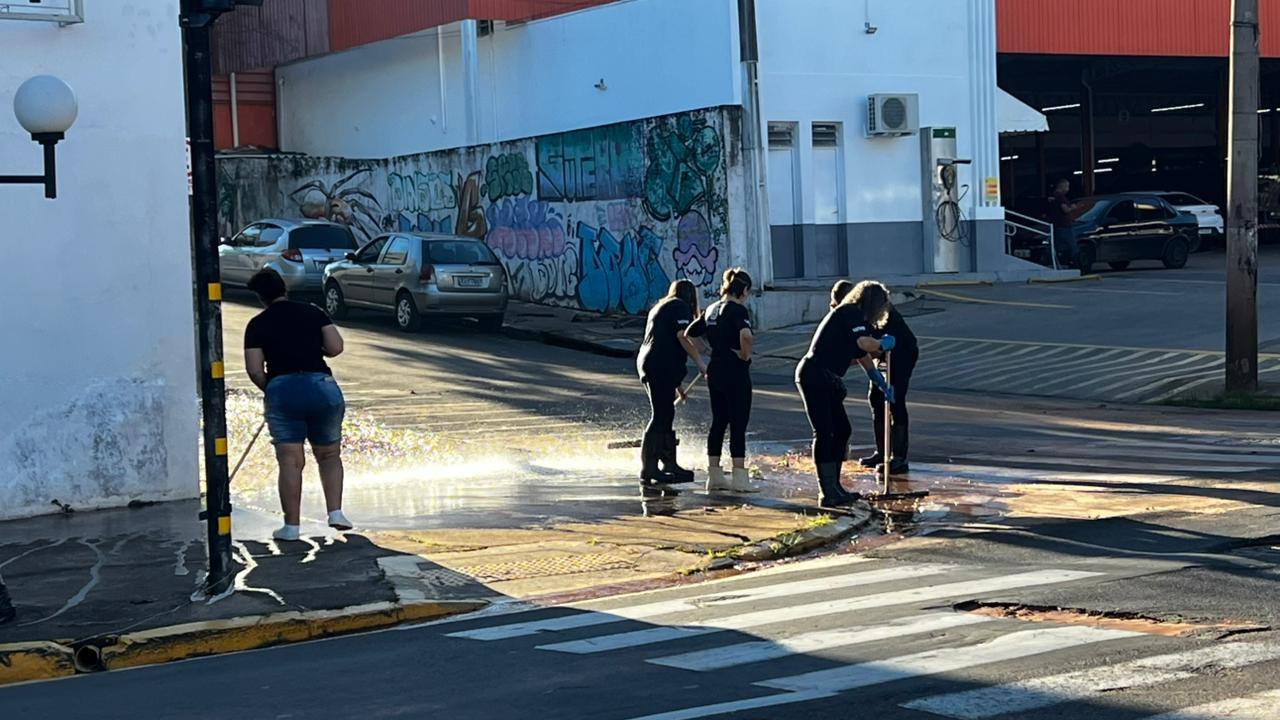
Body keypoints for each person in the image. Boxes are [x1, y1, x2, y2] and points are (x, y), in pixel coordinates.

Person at [243, 269, 350, 541]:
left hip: (283, 387)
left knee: (290, 461)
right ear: (285, 288)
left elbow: (255, 370)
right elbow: (336, 347)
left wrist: (274, 389)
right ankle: (336, 513)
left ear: (260, 297)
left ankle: (291, 527)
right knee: (329, 455)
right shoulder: (313, 312)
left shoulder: (257, 324)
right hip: (321, 387)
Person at [795, 280, 896, 507]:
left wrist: (879, 381)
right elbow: (864, 343)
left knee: (841, 430)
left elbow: (862, 354)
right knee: (825, 431)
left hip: (826, 377)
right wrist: (881, 342)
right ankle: (827, 491)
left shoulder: (855, 319)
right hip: (815, 374)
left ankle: (836, 486)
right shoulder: (848, 313)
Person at [686, 268, 755, 494]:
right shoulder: (738, 310)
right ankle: (740, 479)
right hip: (735, 370)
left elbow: (690, 332)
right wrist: (745, 355)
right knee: (738, 423)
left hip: (716, 369)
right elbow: (746, 335)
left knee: (718, 422)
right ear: (744, 290)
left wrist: (708, 349)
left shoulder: (712, 309)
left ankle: (714, 475)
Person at [637, 279, 706, 487]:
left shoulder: (663, 306)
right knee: (661, 414)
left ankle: (669, 463)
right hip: (659, 365)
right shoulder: (680, 307)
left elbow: (664, 340)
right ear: (690, 296)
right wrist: (701, 363)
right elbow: (682, 337)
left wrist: (678, 385)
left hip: (651, 362)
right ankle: (649, 468)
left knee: (666, 412)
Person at [850, 281, 918, 475]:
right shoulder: (857, 312)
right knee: (876, 398)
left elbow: (868, 350)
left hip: (902, 353)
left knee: (895, 401)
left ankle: (899, 458)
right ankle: (882, 451)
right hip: (882, 353)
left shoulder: (882, 312)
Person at [1048, 179, 1082, 269]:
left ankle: (1060, 262)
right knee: (1073, 246)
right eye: (1067, 186)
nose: (1068, 189)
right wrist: (1073, 207)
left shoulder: (1053, 197)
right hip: (1065, 226)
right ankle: (1076, 265)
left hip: (1057, 226)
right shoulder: (1061, 197)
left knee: (1058, 245)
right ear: (1062, 186)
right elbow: (1065, 209)